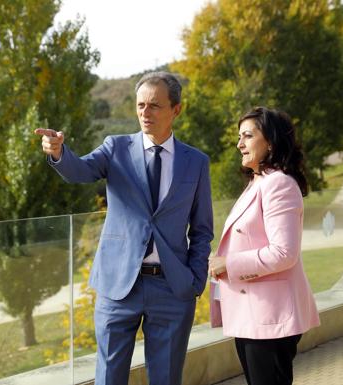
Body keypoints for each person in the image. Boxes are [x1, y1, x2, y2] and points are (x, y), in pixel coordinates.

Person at [34, 71, 213, 385]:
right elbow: (81, 170)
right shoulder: (114, 148)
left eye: (155, 105)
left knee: (167, 379)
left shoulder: (196, 162)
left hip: (172, 288)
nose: (145, 112)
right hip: (118, 288)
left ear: (176, 110)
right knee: (109, 379)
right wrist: (60, 152)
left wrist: (195, 280)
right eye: (140, 105)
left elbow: (201, 229)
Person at [208, 107, 320, 385]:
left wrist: (228, 264)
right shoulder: (259, 182)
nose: (239, 144)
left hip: (269, 317)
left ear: (270, 141)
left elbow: (284, 253)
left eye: (247, 136)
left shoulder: (278, 184)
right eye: (239, 137)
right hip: (253, 315)